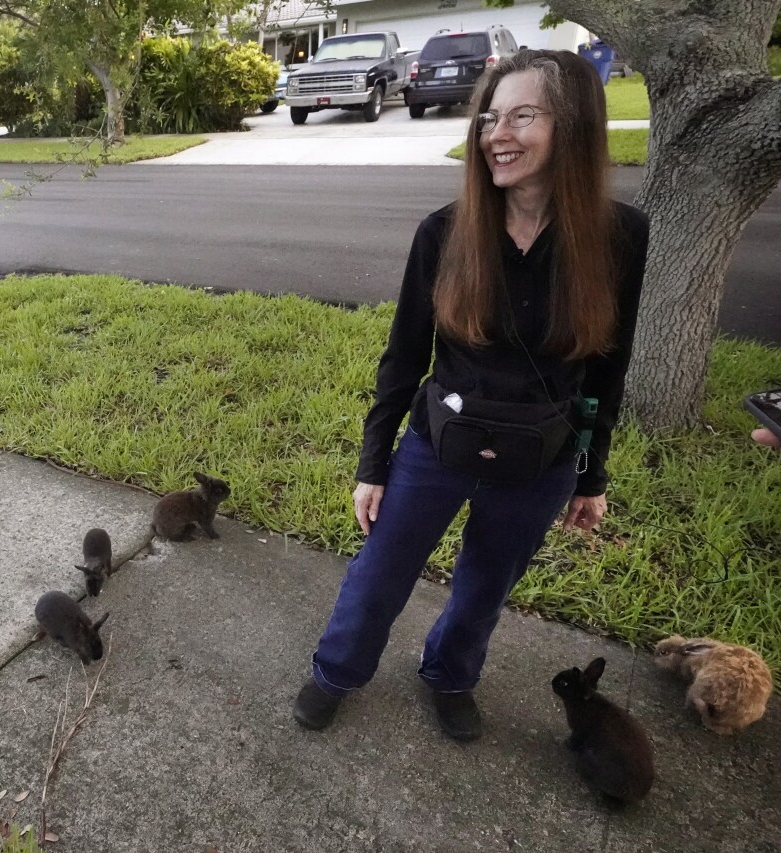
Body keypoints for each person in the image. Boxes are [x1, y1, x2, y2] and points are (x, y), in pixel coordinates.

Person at [293, 49, 649, 741]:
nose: (496, 134)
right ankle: (336, 670)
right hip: (439, 441)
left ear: (572, 126)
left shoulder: (620, 237)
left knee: (485, 588)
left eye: (522, 115)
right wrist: (374, 463)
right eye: (490, 117)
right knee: (380, 572)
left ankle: (450, 675)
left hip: (540, 458)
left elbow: (608, 368)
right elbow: (403, 356)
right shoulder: (445, 231)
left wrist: (590, 475)